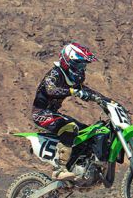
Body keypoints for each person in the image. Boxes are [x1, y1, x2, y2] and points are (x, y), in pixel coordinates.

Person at [31, 42, 105, 181]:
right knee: (70, 128)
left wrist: (105, 100)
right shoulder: (55, 73)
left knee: (87, 132)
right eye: (78, 64)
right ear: (67, 61)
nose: (81, 68)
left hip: (53, 114)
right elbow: (51, 89)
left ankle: (78, 167)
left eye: (83, 65)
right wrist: (73, 91)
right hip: (41, 113)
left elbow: (85, 90)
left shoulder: (74, 78)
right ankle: (59, 170)